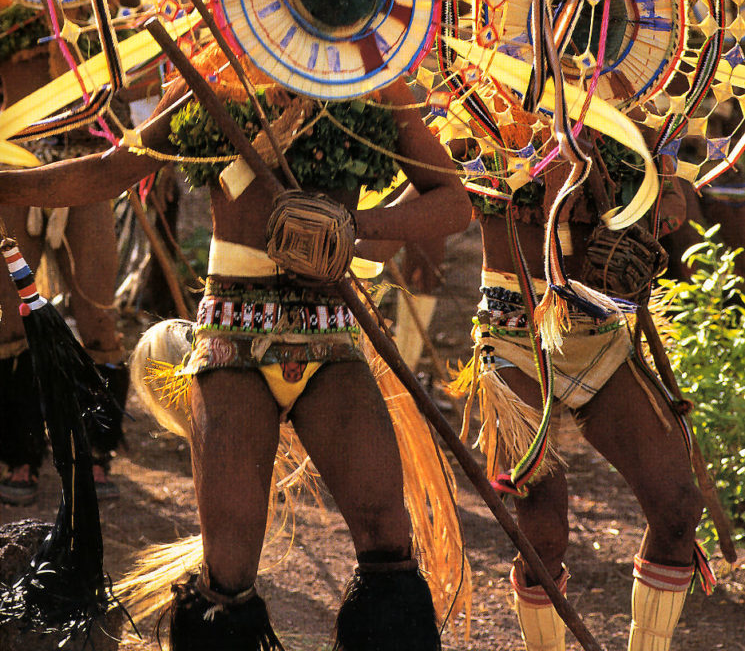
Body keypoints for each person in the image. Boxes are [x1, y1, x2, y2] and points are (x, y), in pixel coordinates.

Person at [0, 47, 472, 650]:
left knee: (387, 538)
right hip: (231, 329)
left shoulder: (374, 77)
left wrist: (355, 228)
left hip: (329, 323)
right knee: (229, 567)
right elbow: (106, 170)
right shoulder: (214, 73)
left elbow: (451, 202)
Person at [453, 130, 707, 651]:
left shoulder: (630, 94)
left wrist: (659, 201)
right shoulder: (486, 95)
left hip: (600, 332)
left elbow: (675, 195)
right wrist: (362, 235)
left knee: (678, 508)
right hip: (512, 332)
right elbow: (436, 191)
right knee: (543, 532)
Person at [0, 0, 132, 503]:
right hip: (17, 169)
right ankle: (20, 453)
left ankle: (95, 451)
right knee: (11, 319)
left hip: (86, 171)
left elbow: (135, 82)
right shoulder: (5, 3)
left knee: (98, 312)